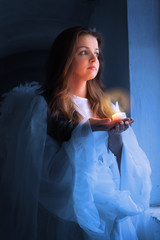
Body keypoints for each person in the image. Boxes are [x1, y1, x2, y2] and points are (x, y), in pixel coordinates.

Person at [0, 26, 157, 240]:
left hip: (108, 207)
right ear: (66, 58)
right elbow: (43, 172)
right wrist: (87, 128)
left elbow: (117, 158)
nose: (94, 58)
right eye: (84, 52)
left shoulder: (105, 105)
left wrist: (116, 135)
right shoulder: (43, 106)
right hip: (67, 215)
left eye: (96, 53)